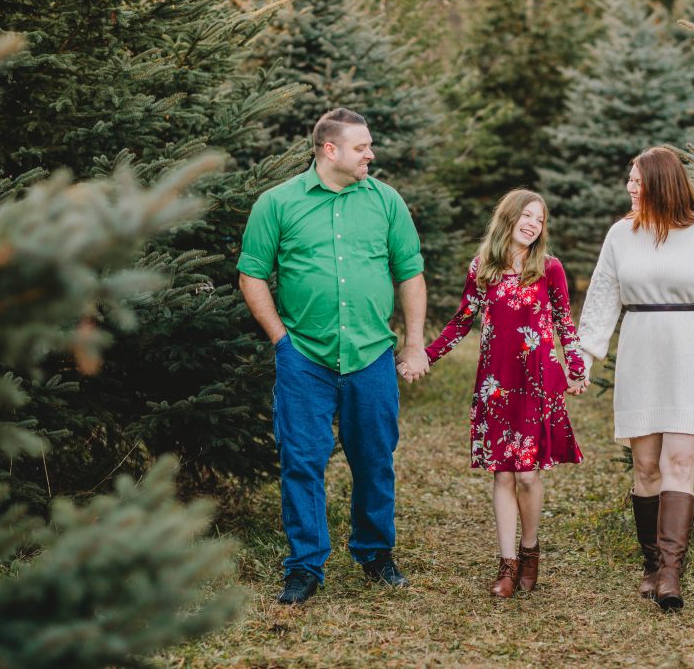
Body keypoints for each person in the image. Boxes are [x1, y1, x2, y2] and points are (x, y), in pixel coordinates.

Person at [237, 108, 429, 604]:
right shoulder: (277, 203)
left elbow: (409, 272)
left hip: (371, 357)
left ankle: (375, 553)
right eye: (362, 146)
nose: (371, 153)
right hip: (305, 359)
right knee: (301, 462)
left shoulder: (387, 202)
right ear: (330, 150)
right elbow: (252, 274)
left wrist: (412, 342)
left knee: (374, 460)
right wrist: (282, 340)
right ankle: (304, 566)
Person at [577, 146, 694, 610]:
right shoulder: (621, 235)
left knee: (679, 463)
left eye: (638, 181)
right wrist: (582, 359)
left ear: (662, 184)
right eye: (630, 179)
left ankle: (670, 575)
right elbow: (602, 299)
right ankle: (649, 562)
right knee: (645, 468)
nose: (630, 187)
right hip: (641, 353)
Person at [415, 189, 587, 598]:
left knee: (528, 475)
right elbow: (461, 322)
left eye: (539, 219)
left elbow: (564, 322)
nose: (532, 223)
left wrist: (576, 369)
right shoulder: (483, 268)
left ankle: (531, 552)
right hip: (497, 383)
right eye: (526, 215)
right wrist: (425, 356)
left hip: (537, 382)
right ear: (508, 218)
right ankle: (508, 566)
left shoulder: (549, 268)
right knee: (503, 473)